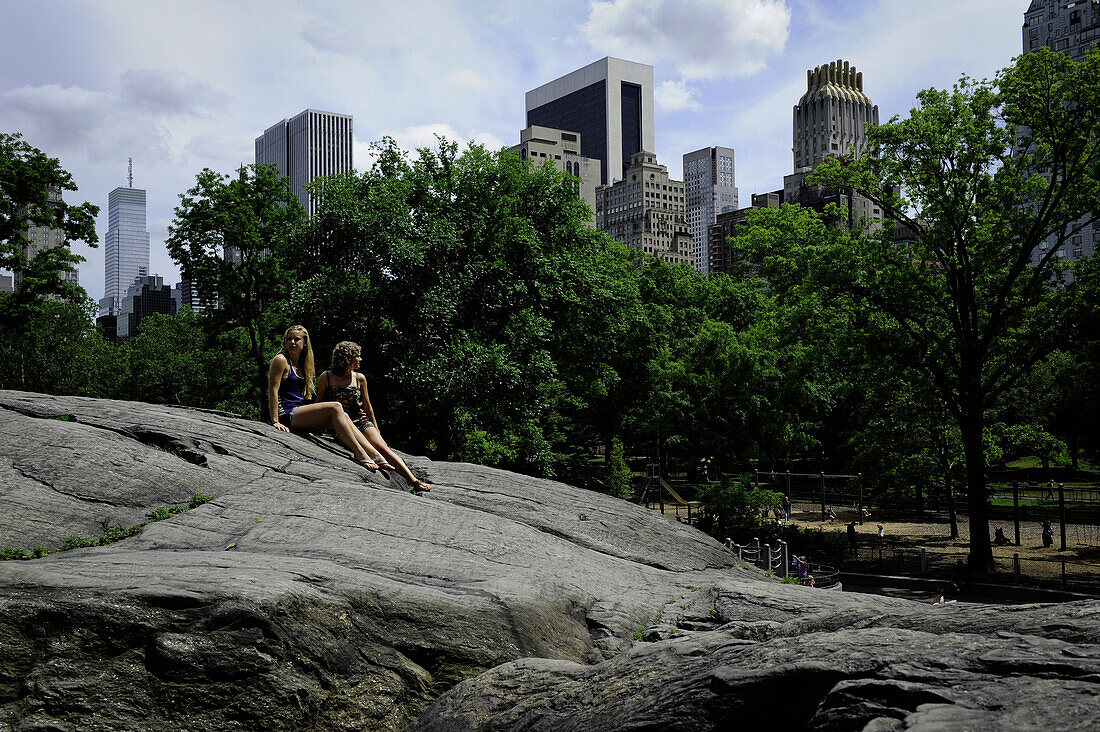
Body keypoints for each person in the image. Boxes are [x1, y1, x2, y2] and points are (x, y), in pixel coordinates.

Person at [318, 341, 432, 492]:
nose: (360, 359)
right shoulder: (326, 377)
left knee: (382, 447)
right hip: (342, 424)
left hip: (361, 419)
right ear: (348, 358)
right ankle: (371, 458)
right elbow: (319, 402)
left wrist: (376, 429)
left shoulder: (359, 378)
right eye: (357, 356)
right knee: (368, 446)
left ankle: (414, 480)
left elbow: (367, 406)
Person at [267, 325, 385, 470]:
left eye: (296, 339)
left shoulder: (302, 364)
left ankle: (374, 454)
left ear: (304, 343)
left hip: (299, 414)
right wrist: (275, 421)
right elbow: (273, 390)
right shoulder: (281, 360)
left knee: (344, 416)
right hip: (287, 414)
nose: (292, 342)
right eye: (288, 339)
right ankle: (360, 454)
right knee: (335, 406)